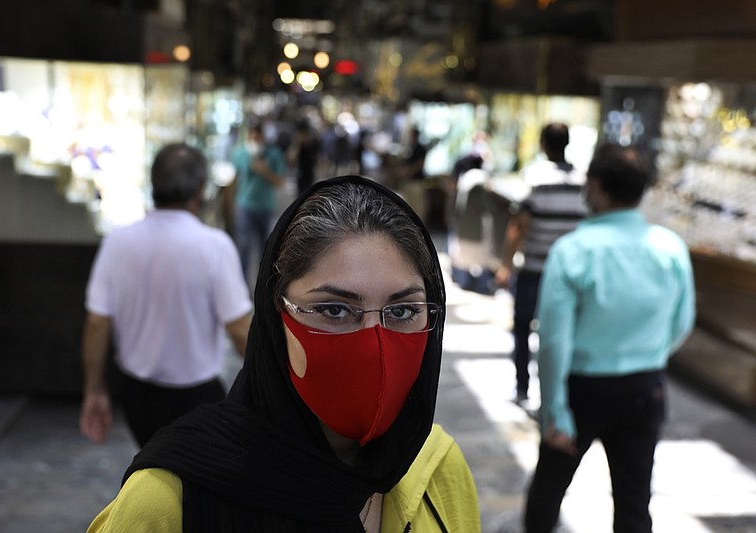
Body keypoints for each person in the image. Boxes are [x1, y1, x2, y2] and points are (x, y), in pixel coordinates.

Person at [87, 175, 480, 532]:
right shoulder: (171, 501)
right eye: (334, 310)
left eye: (401, 311)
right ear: (277, 318)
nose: (373, 342)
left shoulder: (437, 465)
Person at [523, 144, 696, 532]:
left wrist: (554, 408)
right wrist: (646, 353)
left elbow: (553, 340)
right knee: (634, 503)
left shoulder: (573, 251)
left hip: (581, 390)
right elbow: (682, 323)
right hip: (644, 387)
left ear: (597, 187)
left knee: (549, 490)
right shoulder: (670, 248)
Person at [79, 143, 253, 448]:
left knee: (151, 467)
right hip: (197, 396)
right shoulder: (213, 246)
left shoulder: (118, 242)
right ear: (200, 189)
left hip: (136, 392)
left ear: (153, 184)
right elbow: (240, 330)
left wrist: (94, 390)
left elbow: (96, 324)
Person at [495, 123, 587, 404]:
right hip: (570, 275)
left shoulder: (534, 178)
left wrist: (505, 265)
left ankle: (522, 388)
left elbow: (518, 227)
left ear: (543, 145)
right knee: (562, 333)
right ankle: (556, 392)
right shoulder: (583, 183)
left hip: (535, 270)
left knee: (523, 328)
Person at [231, 120, 287, 284]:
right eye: (251, 136)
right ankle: (240, 285)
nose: (254, 140)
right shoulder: (240, 153)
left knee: (266, 248)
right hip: (244, 206)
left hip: (265, 206)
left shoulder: (273, 154)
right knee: (244, 247)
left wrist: (265, 172)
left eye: (258, 136)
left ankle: (265, 285)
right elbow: (235, 178)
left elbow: (280, 181)